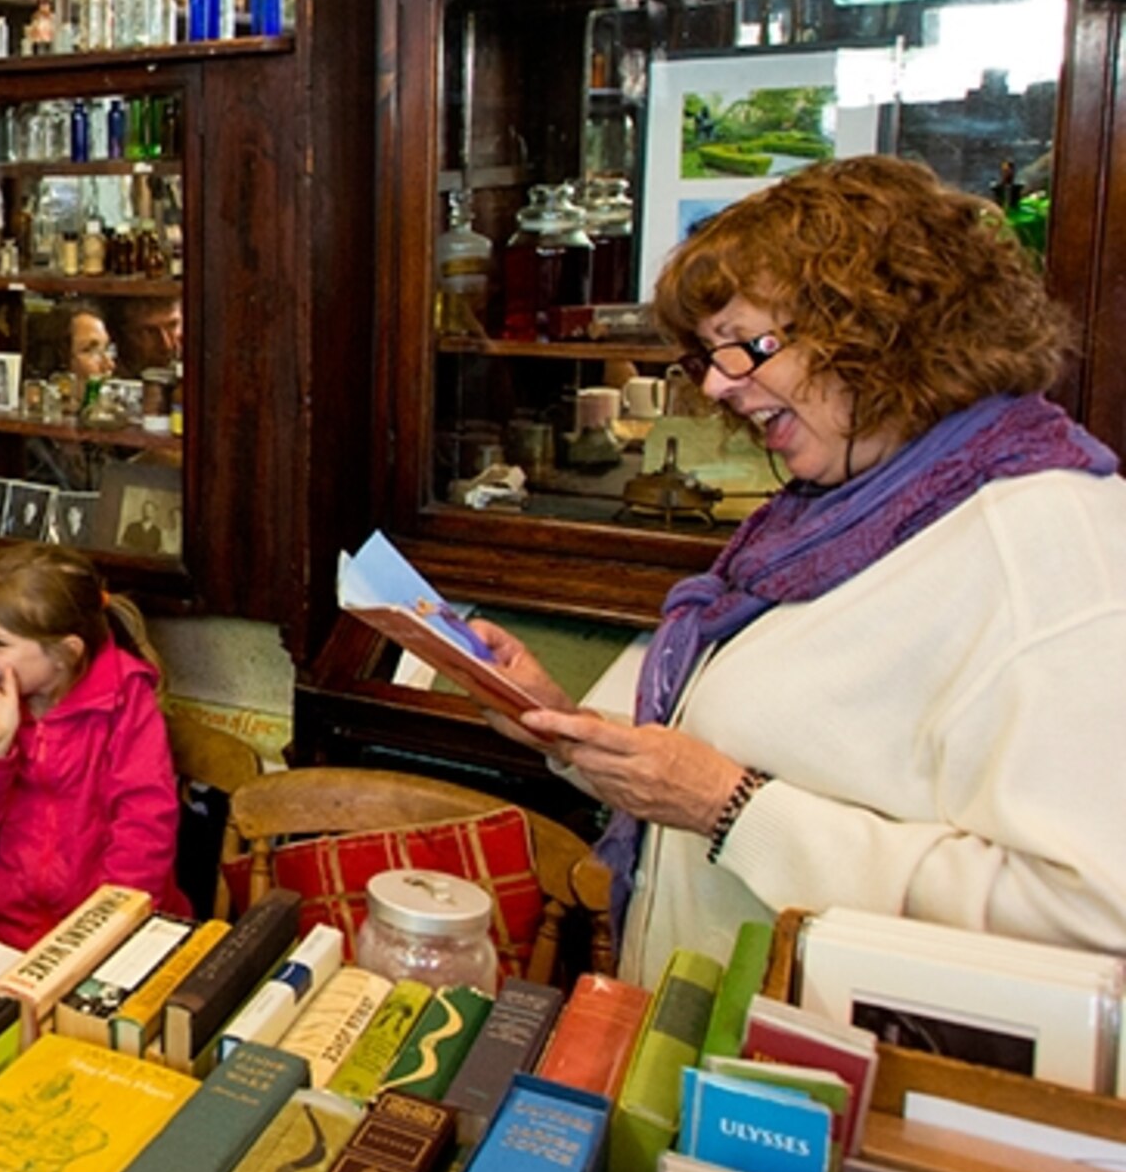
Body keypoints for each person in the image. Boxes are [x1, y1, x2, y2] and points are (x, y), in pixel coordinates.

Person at [470, 157, 1126, 980]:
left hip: (859, 1090)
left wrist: (734, 810)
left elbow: (1093, 923)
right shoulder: (846, 510)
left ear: (885, 326)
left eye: (745, 345)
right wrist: (561, 725)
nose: (717, 385)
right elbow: (772, 746)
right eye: (707, 355)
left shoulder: (1048, 551)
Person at [0, 541, 182, 944]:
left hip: (114, 931)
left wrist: (106, 931)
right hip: (7, 933)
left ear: (66, 653)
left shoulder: (125, 698)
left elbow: (144, 825)